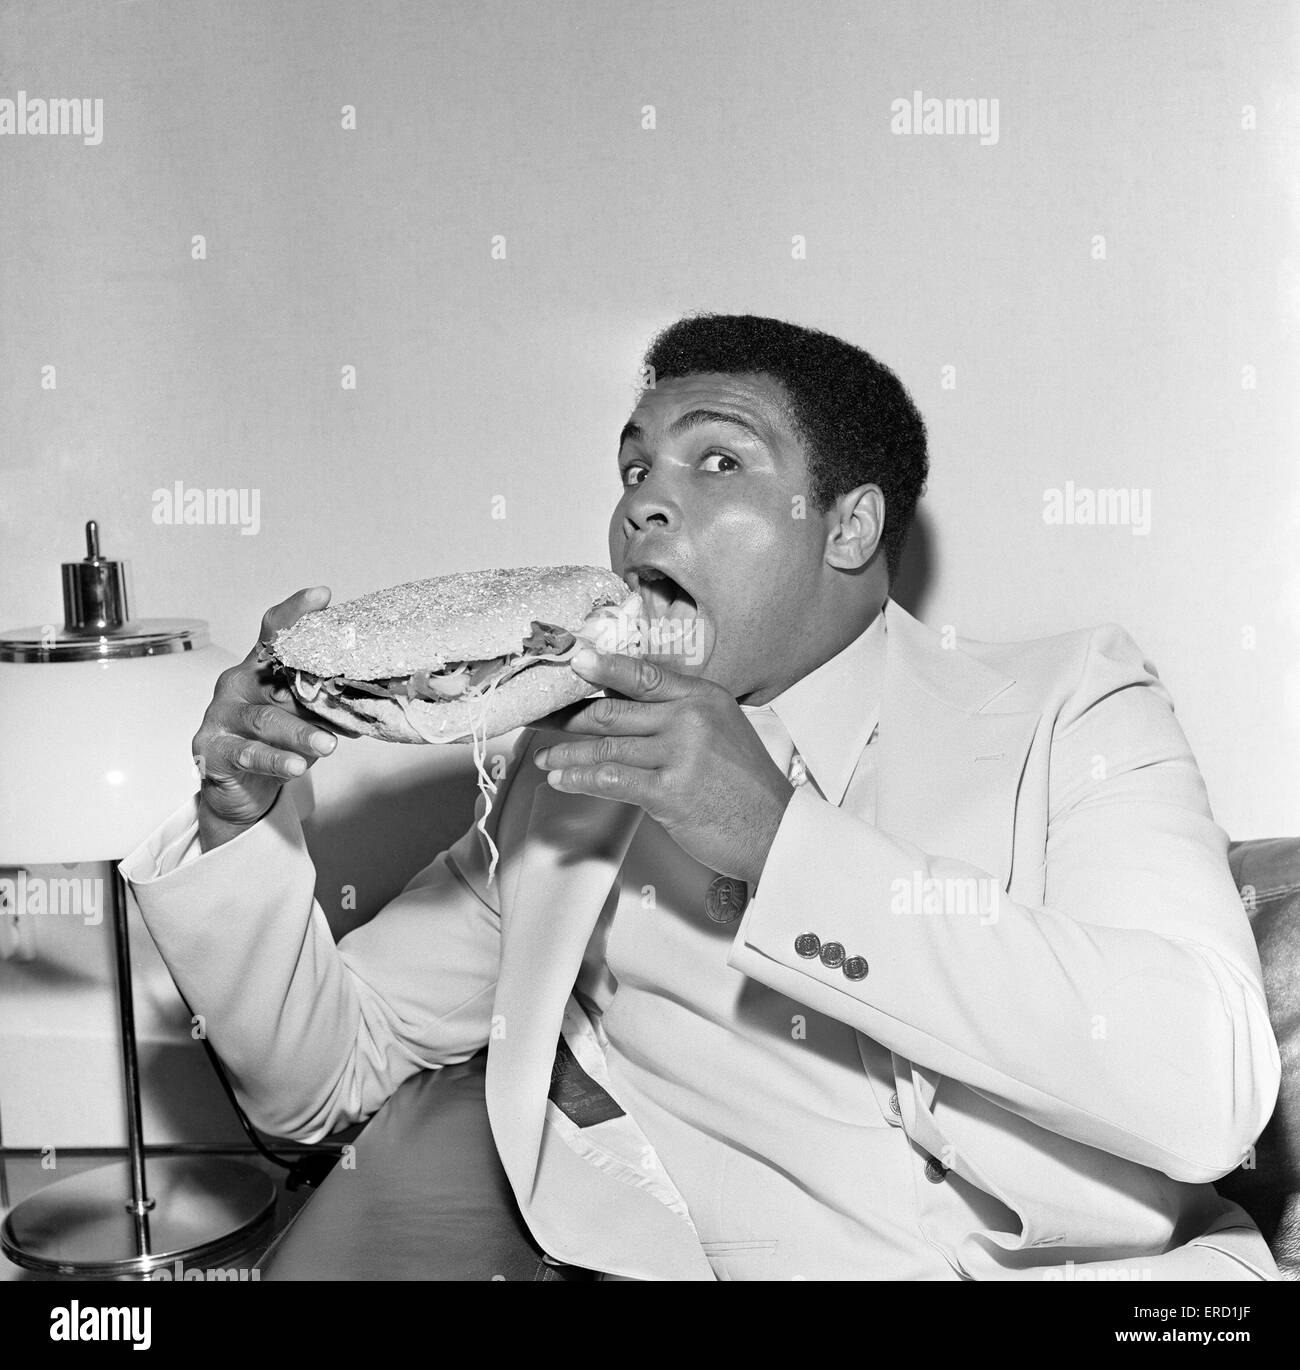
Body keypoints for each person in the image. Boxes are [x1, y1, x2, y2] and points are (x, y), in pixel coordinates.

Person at [122, 313, 1280, 1280]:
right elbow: (328, 1079)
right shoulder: (569, 767)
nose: (641, 507)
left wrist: (781, 840)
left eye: (716, 461)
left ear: (850, 523)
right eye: (633, 470)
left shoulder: (1070, 701)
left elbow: (1205, 1089)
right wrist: (248, 824)